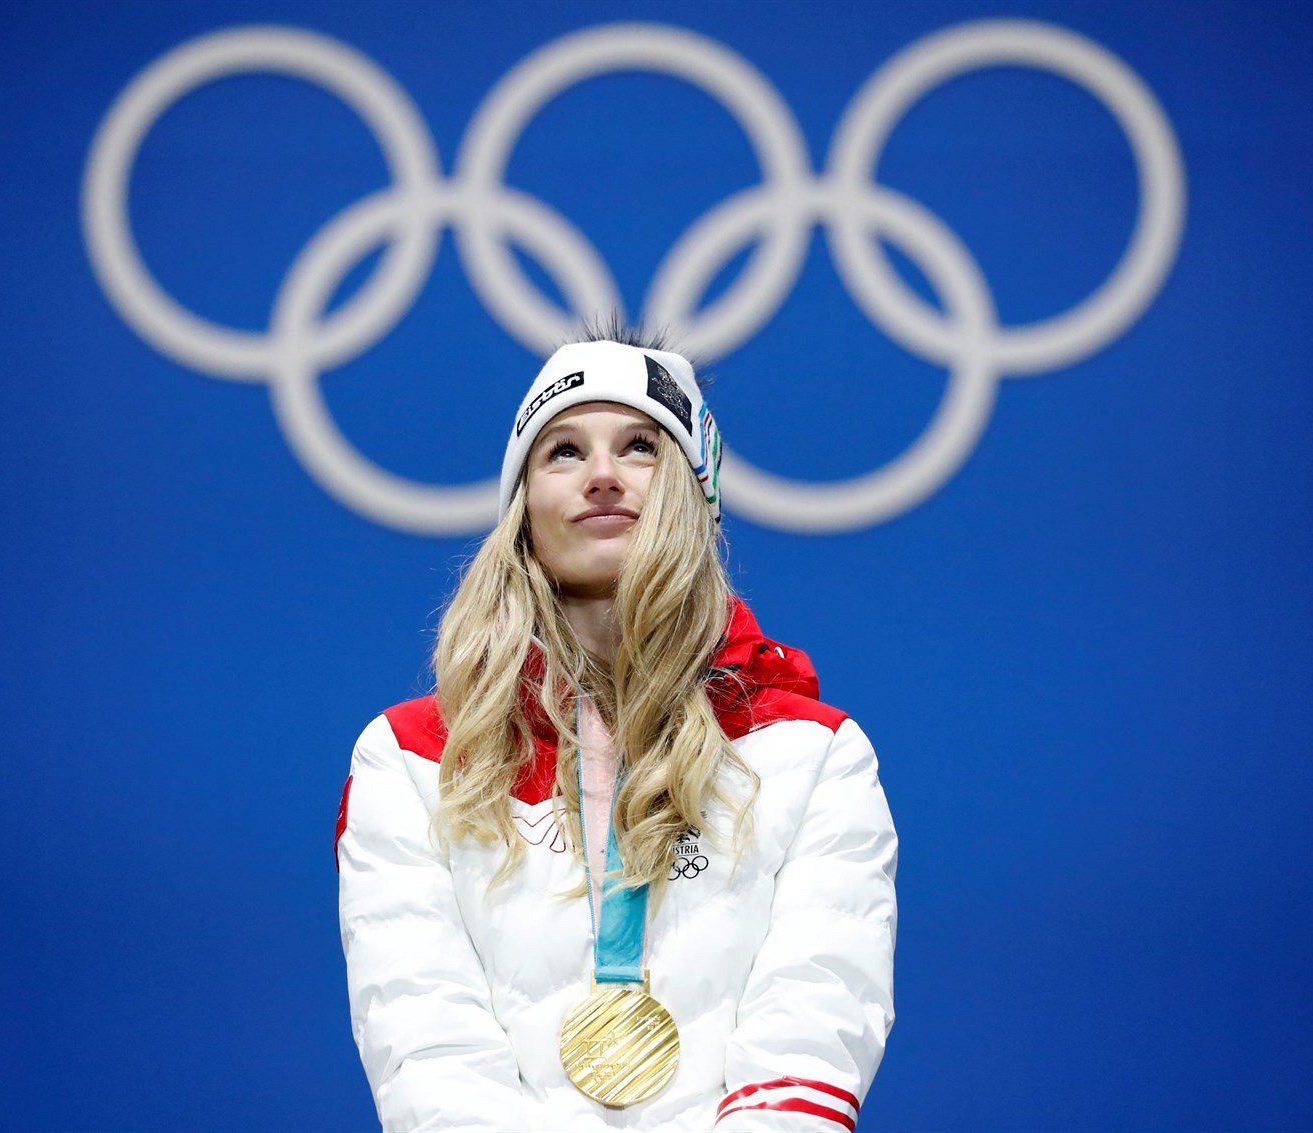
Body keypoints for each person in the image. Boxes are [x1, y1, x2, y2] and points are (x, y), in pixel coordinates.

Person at [336, 328, 897, 1132]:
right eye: (563, 451)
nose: (602, 475)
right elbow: (425, 1042)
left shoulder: (813, 754)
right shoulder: (411, 759)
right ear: (522, 510)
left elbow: (813, 1025)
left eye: (641, 446)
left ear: (694, 494)